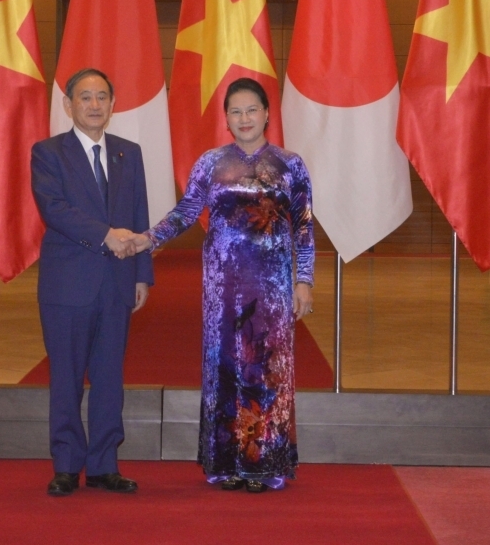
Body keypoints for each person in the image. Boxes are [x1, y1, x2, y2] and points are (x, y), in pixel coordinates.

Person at [129, 77, 314, 493]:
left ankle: (265, 464)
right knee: (225, 369)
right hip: (222, 288)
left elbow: (303, 228)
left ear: (267, 114)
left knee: (269, 369)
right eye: (236, 111)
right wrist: (149, 238)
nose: (244, 118)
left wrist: (304, 281)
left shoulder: (291, 164)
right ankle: (227, 462)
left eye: (252, 110)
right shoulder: (211, 163)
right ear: (226, 119)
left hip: (272, 288)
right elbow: (186, 211)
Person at [30, 68, 153, 497]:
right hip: (67, 287)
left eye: (103, 97)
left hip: (117, 284)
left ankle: (103, 464)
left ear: (113, 104)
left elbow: (139, 215)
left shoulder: (129, 153)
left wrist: (142, 275)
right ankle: (66, 464)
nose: (95, 105)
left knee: (108, 378)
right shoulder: (48, 153)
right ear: (69, 105)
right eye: (86, 97)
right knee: (65, 377)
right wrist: (105, 235)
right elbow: (54, 209)